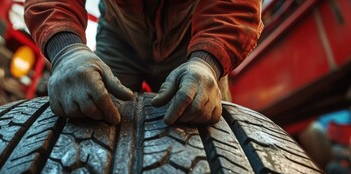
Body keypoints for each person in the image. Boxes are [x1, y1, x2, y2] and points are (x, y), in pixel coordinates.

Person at [24, 1, 263, 125]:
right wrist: (67, 51)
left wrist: (208, 63)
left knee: (208, 124)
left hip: (195, 44)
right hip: (120, 35)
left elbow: (234, 5)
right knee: (91, 113)